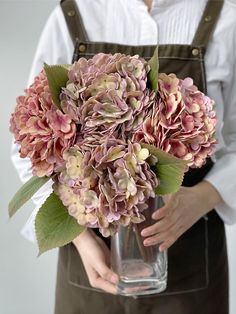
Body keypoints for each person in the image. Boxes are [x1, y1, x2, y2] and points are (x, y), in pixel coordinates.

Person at [11, 0, 236, 313]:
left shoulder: (225, 18)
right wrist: (81, 241)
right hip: (92, 269)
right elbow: (31, 142)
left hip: (190, 269)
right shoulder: (74, 15)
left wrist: (203, 196)